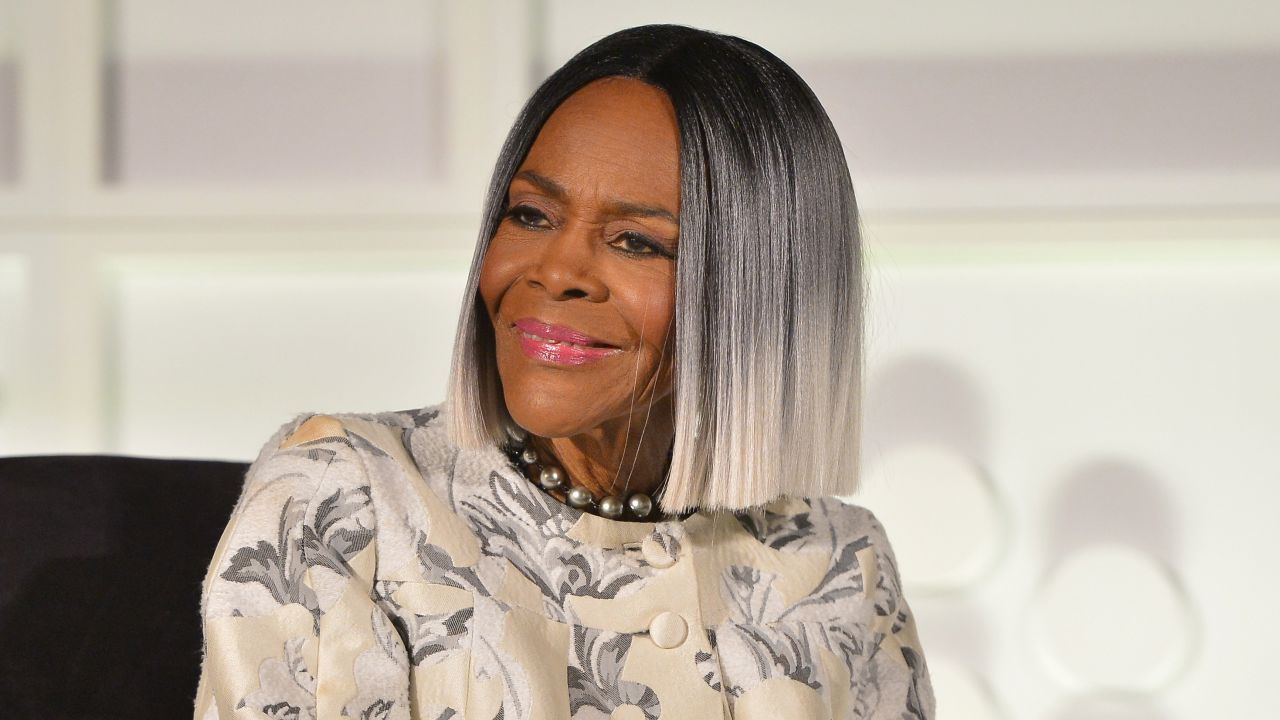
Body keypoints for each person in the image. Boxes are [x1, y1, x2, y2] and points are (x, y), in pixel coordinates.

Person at [193, 23, 934, 720]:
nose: (556, 271)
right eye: (532, 216)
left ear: (766, 294)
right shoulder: (343, 497)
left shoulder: (841, 561)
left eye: (638, 242)